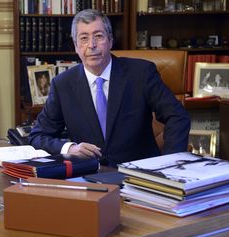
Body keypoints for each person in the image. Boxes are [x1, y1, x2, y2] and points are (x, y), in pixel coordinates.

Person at [28, 9, 190, 167]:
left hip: (140, 176)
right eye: (83, 38)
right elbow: (38, 135)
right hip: (89, 175)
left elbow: (177, 116)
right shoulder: (62, 84)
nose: (91, 45)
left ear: (110, 40)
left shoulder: (141, 73)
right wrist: (70, 148)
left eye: (98, 36)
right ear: (76, 46)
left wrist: (171, 165)